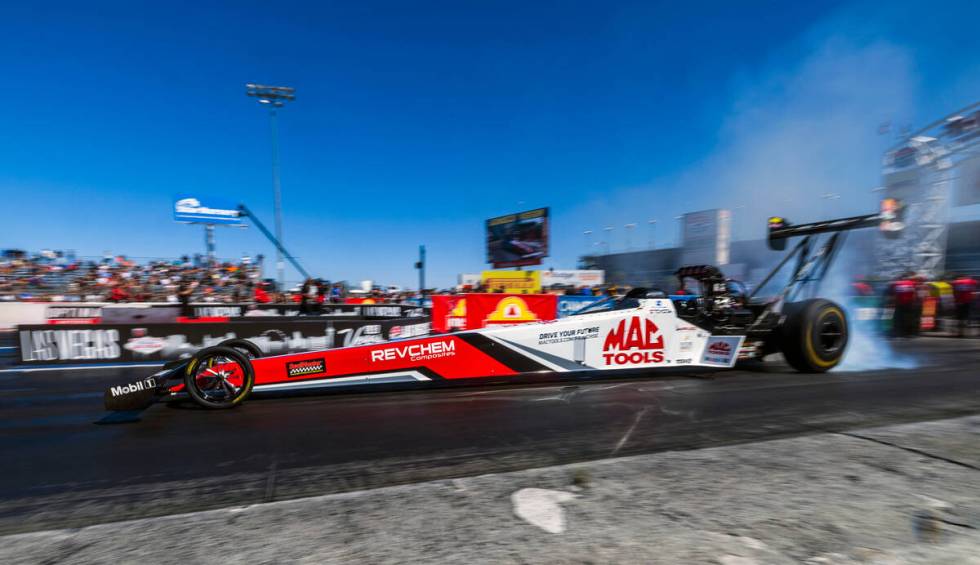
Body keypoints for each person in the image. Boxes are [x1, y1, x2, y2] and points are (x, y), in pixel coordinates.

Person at [951, 273, 977, 337]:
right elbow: (974, 285)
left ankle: (960, 332)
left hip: (959, 302)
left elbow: (956, 293)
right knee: (967, 316)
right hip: (968, 302)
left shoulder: (957, 283)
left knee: (960, 318)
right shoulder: (970, 282)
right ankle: (966, 332)